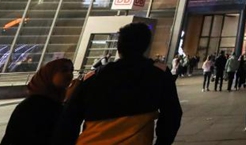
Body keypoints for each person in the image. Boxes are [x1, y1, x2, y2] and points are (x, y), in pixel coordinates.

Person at [52, 22, 182, 144]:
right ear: (146, 46)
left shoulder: (93, 78)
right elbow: (172, 114)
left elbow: (68, 119)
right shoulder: (157, 75)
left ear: (119, 47)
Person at [1, 58, 74, 145]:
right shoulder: (35, 106)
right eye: (64, 70)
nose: (70, 75)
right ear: (49, 74)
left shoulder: (49, 102)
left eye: (71, 71)